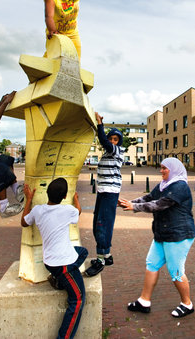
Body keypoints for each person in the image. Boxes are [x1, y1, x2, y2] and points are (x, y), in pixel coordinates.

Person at [118, 157, 195, 318]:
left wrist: (134, 207)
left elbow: (160, 204)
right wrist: (129, 203)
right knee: (152, 264)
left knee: (175, 271)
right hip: (163, 233)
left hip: (178, 234)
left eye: (164, 168)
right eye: (161, 167)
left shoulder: (180, 186)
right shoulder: (163, 185)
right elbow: (148, 198)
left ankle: (187, 304)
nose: (161, 171)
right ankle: (144, 301)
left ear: (173, 169)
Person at [21, 180, 87, 339]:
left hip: (49, 262)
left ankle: (59, 280)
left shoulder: (38, 210)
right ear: (65, 196)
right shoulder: (68, 210)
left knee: (83, 252)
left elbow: (24, 222)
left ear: (47, 194)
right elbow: (78, 211)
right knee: (77, 300)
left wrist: (29, 198)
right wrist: (76, 199)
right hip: (64, 265)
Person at [84, 112, 124, 277]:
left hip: (109, 193)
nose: (113, 141)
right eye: (111, 138)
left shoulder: (115, 150)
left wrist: (100, 124)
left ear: (118, 142)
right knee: (97, 222)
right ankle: (106, 255)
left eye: (115, 139)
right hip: (103, 192)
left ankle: (100, 260)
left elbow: (103, 140)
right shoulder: (108, 153)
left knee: (102, 224)